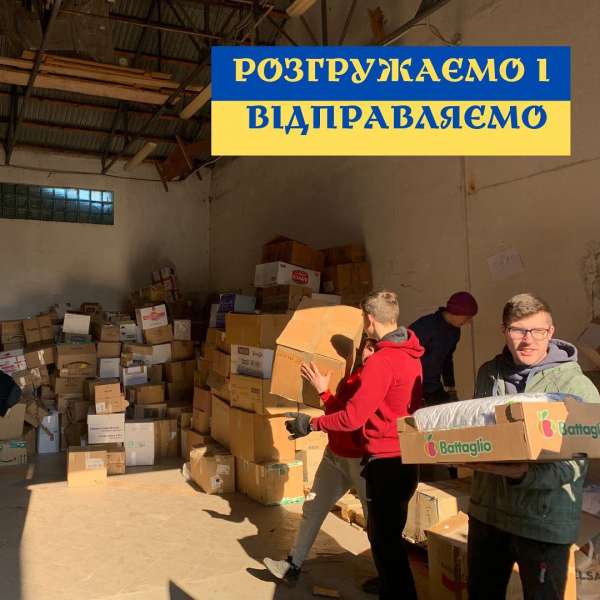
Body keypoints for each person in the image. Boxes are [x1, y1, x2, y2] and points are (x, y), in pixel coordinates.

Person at [285, 290, 424, 600]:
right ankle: (391, 587)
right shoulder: (411, 355)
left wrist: (311, 424)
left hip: (384, 462)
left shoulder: (381, 362)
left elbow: (352, 418)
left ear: (369, 319)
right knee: (388, 540)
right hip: (406, 459)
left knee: (385, 543)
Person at [466, 293, 600, 600]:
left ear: (551, 332)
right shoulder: (488, 373)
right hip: (487, 515)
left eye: (538, 330)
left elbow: (577, 461)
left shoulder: (576, 387)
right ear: (504, 330)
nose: (528, 340)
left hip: (543, 523)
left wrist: (523, 473)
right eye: (518, 330)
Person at [262, 338, 376, 582]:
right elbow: (338, 413)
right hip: (334, 454)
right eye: (367, 347)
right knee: (313, 507)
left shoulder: (374, 379)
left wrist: (323, 392)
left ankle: (386, 576)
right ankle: (292, 565)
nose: (367, 353)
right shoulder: (353, 372)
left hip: (361, 460)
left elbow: (349, 419)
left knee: (375, 520)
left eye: (373, 348)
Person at [410, 291, 478, 407]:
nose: (469, 322)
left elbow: (447, 359)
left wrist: (450, 386)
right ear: (456, 312)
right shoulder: (426, 325)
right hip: (413, 387)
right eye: (467, 317)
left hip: (433, 387)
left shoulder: (455, 332)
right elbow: (405, 353)